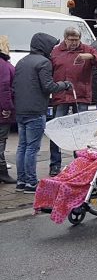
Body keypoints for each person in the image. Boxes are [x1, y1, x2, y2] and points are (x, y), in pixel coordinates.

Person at [12, 34, 72, 193]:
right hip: (36, 110)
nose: (53, 50)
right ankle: (31, 183)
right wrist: (64, 84)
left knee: (22, 147)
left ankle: (21, 181)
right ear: (44, 45)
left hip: (21, 110)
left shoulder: (22, 61)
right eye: (51, 46)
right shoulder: (44, 62)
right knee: (32, 148)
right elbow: (48, 87)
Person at [49, 26, 97, 176]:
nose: (74, 43)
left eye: (77, 40)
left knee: (82, 131)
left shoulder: (87, 49)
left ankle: (81, 161)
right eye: (71, 40)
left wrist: (92, 57)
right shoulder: (56, 51)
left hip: (81, 95)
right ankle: (54, 164)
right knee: (57, 129)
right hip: (61, 96)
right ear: (65, 39)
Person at [0, 36, 15, 184]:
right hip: (1, 110)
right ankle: (2, 172)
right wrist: (7, 108)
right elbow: (4, 88)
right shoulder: (3, 64)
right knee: (1, 141)